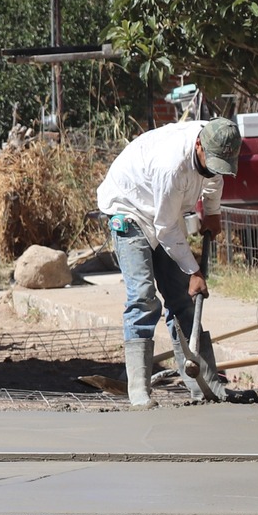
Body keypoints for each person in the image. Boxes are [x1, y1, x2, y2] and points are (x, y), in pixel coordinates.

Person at [96, 117, 242, 407]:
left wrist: (212, 212)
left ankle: (205, 384)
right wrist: (194, 270)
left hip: (164, 211)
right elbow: (165, 229)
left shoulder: (217, 141)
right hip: (130, 208)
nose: (215, 167)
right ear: (199, 145)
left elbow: (214, 177)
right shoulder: (171, 164)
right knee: (142, 297)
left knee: (181, 299)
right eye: (211, 160)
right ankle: (138, 389)